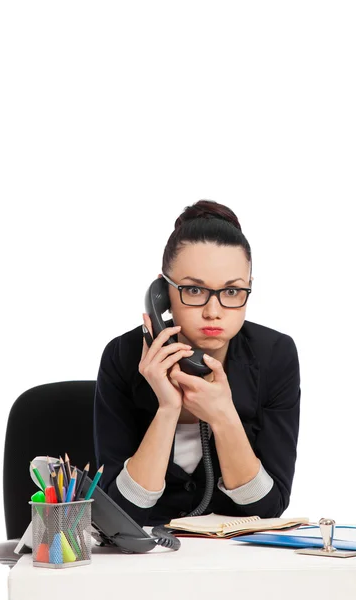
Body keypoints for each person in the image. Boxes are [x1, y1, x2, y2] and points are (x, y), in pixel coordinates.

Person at [94, 200, 301, 527]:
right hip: (142, 566)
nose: (213, 311)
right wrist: (167, 409)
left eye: (232, 291)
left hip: (234, 564)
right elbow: (120, 512)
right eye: (193, 289)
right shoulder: (122, 356)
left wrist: (222, 416)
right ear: (163, 292)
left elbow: (269, 507)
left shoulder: (275, 356)